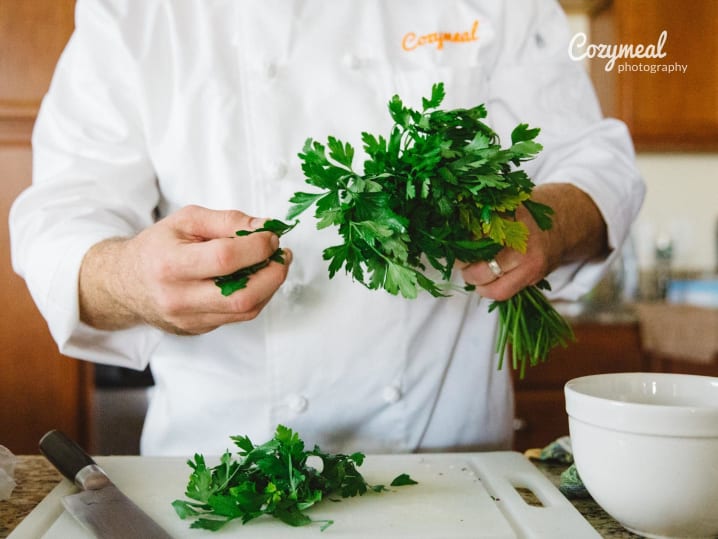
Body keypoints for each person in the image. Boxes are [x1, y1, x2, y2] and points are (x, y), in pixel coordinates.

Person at [9, 0, 644, 456]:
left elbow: (596, 160)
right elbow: (61, 223)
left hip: (455, 477)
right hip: (222, 476)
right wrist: (134, 279)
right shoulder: (133, 15)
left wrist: (547, 222)